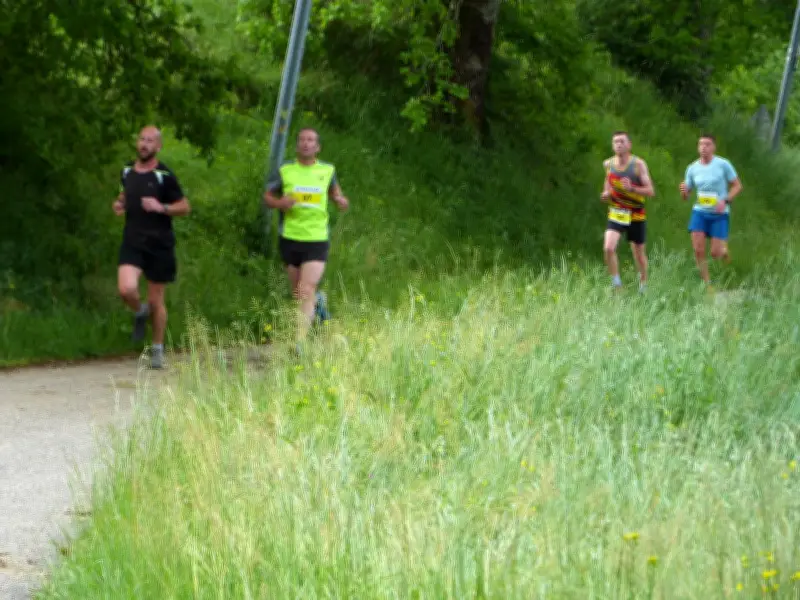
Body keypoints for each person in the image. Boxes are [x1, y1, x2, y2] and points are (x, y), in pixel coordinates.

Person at [263, 128, 349, 350]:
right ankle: (319, 304)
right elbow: (268, 196)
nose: (305, 144)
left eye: (310, 140)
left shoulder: (327, 171)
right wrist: (280, 204)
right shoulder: (286, 170)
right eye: (301, 140)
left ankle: (299, 342)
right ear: (296, 146)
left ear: (318, 147)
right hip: (290, 236)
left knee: (305, 289)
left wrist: (340, 200)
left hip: (316, 237)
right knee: (298, 293)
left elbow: (334, 193)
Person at [113, 125, 191, 369]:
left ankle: (157, 349)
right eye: (141, 139)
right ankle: (139, 310)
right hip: (133, 240)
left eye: (150, 141)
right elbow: (126, 194)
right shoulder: (127, 171)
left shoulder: (164, 175)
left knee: (157, 300)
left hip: (159, 244)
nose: (144, 144)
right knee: (126, 289)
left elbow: (185, 206)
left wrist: (162, 207)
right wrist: (119, 204)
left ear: (158, 147)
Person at [679, 133, 743, 286]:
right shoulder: (692, 168)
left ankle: (723, 249)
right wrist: (684, 191)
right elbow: (686, 195)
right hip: (700, 212)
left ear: (713, 147)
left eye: (707, 144)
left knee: (715, 253)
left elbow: (737, 185)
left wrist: (726, 200)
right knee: (698, 249)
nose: (704, 148)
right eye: (701, 144)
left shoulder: (723, 164)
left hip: (719, 213)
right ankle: (707, 284)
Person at [600, 131, 656, 292]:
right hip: (617, 212)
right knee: (609, 248)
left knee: (638, 254)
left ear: (629, 145)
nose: (618, 144)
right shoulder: (608, 164)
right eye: (615, 141)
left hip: (636, 214)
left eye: (622, 141)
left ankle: (643, 286)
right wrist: (606, 193)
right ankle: (616, 284)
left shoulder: (638, 165)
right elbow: (608, 183)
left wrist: (632, 188)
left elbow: (651, 191)